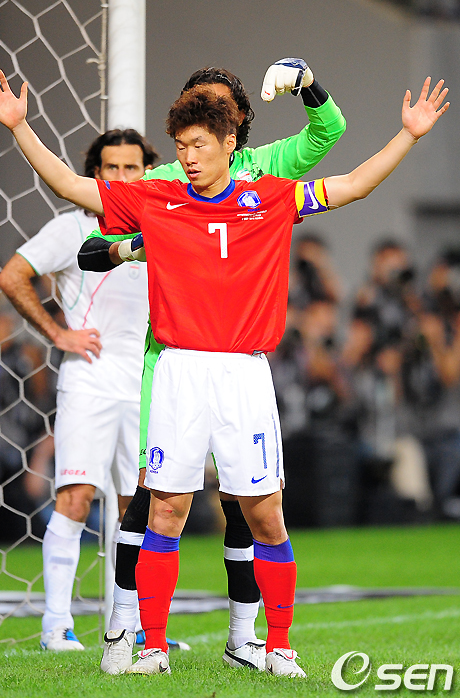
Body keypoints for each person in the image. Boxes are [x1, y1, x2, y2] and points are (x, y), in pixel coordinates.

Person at [0, 68, 448, 678]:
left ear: (230, 144)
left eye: (198, 145)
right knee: (164, 510)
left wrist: (409, 135)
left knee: (265, 514)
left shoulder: (271, 196)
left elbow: (354, 183)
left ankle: (277, 646)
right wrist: (20, 128)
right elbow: (71, 184)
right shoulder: (157, 197)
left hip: (244, 375)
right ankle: (150, 646)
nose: (188, 158)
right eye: (180, 147)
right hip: (178, 370)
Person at [83, 59, 348, 674]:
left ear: (237, 122)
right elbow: (104, 233)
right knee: (152, 497)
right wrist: (129, 247)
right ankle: (125, 629)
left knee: (247, 505)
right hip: (169, 357)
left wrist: (307, 81)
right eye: (192, 104)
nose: (191, 144)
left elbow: (330, 135)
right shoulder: (171, 174)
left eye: (214, 105)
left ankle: (244, 636)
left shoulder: (269, 170)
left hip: (238, 358)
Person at [0, 129, 159, 651]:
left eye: (131, 167)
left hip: (145, 385)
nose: (122, 177)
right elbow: (12, 276)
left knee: (139, 508)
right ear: (96, 174)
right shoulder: (72, 228)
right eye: (112, 168)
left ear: (147, 172)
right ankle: (56, 625)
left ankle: (130, 626)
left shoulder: (160, 224)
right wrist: (58, 333)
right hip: (88, 381)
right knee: (76, 497)